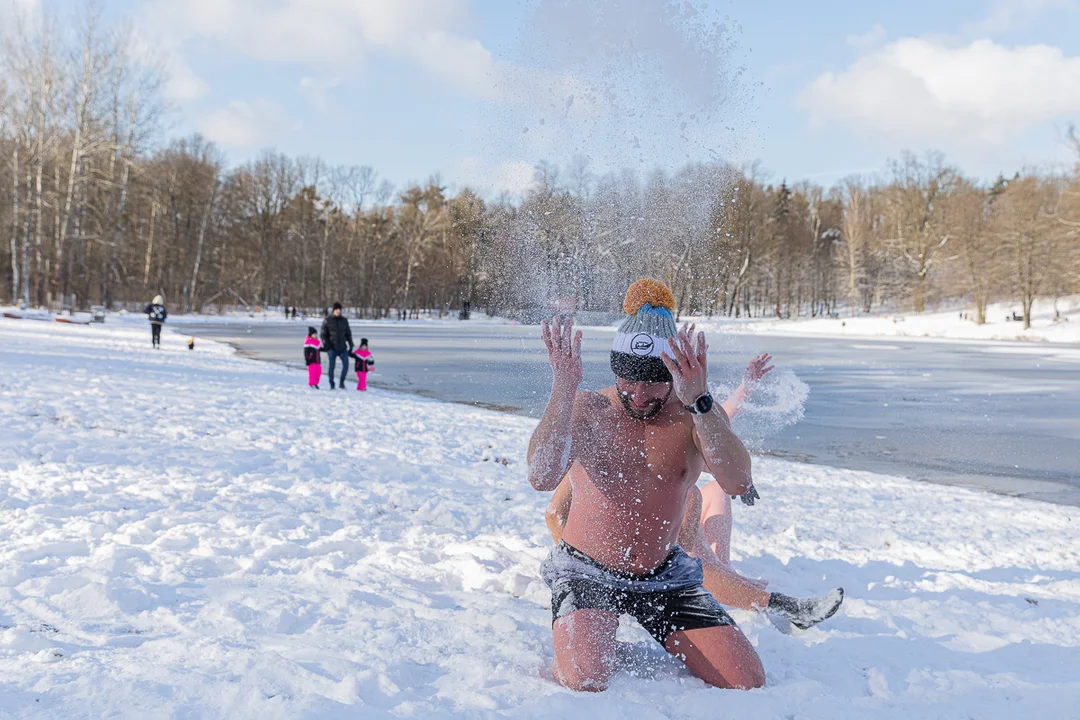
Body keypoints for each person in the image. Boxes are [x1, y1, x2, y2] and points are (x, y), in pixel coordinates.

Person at [528, 278, 765, 692]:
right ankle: (588, 626)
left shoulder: (694, 415)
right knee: (586, 677)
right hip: (587, 571)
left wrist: (701, 401)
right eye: (628, 381)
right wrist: (562, 390)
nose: (638, 396)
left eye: (652, 383)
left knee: (746, 679)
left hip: (664, 576)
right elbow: (540, 475)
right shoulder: (590, 408)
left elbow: (737, 480)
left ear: (674, 374)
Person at [546, 352, 844, 630]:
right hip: (609, 553)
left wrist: (746, 387)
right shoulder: (594, 445)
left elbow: (716, 422)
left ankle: (725, 572)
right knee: (694, 513)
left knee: (715, 492)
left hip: (659, 534)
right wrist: (581, 558)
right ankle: (778, 604)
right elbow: (554, 513)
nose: (640, 397)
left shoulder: (674, 433)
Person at [320, 302, 354, 389]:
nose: (339, 311)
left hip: (342, 347)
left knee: (346, 365)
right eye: (337, 310)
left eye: (340, 310)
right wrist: (326, 345)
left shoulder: (344, 321)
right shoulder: (328, 320)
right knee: (332, 366)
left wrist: (351, 344)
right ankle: (331, 382)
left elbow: (348, 333)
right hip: (332, 347)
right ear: (334, 310)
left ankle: (342, 382)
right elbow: (323, 334)